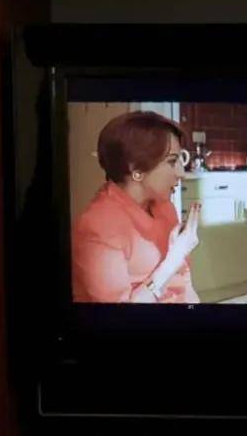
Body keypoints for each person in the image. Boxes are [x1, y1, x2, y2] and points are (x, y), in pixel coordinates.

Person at [72, 110, 202, 304]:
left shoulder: (164, 207)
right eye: (172, 161)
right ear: (136, 170)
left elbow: (183, 281)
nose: (181, 173)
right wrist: (174, 259)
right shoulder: (98, 226)